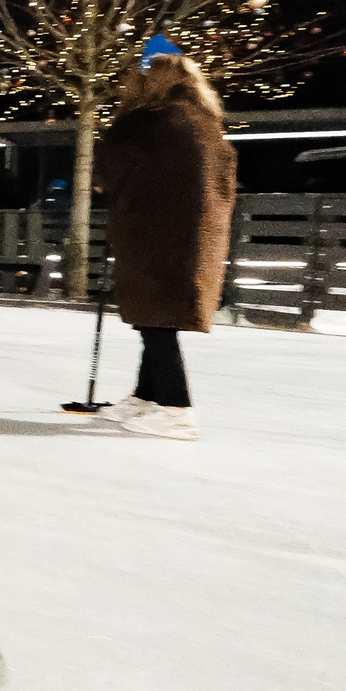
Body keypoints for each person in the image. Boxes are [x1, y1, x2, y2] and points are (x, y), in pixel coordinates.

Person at [98, 49, 236, 440]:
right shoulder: (206, 124)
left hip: (153, 234)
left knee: (156, 319)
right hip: (194, 238)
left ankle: (177, 408)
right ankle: (146, 396)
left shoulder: (147, 123)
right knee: (156, 318)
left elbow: (111, 170)